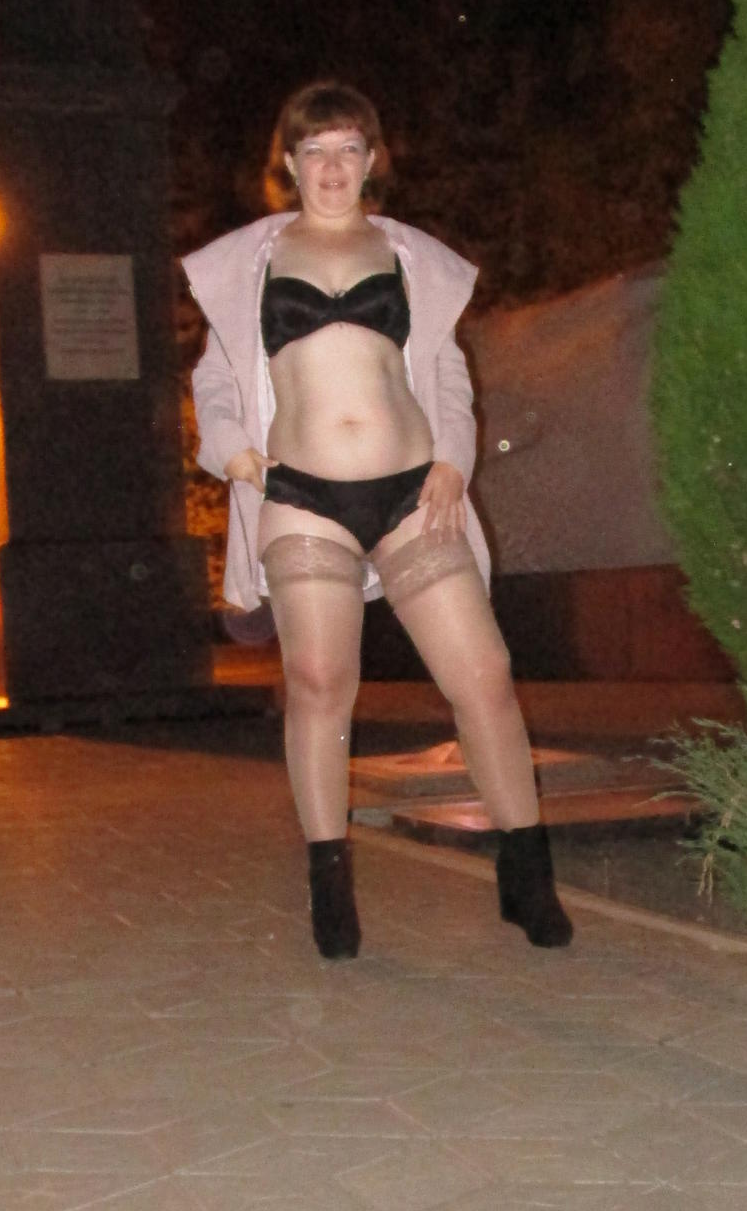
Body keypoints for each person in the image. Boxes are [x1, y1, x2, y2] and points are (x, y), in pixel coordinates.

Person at [184, 80, 573, 960]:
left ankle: (527, 876)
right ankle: (330, 885)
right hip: (302, 497)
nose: (332, 166)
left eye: (348, 149)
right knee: (320, 681)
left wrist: (452, 460)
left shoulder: (408, 256)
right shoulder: (250, 262)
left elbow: (445, 371)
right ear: (289, 163)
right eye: (314, 150)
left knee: (484, 674)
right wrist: (233, 450)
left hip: (409, 493)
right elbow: (216, 375)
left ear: (371, 161)